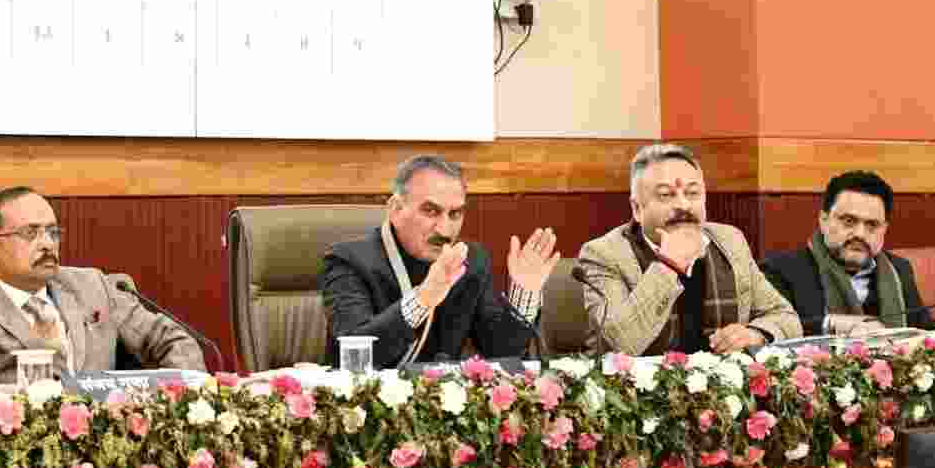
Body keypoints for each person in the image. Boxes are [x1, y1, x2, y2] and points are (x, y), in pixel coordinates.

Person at [0, 186, 205, 386]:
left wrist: (176, 400)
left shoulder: (94, 286)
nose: (48, 243)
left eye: (53, 232)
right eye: (30, 233)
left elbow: (174, 341)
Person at [319, 156, 560, 369]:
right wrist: (423, 299)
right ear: (395, 209)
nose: (444, 230)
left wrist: (524, 295)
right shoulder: (347, 261)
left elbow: (499, 351)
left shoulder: (471, 261)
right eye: (430, 211)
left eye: (455, 214)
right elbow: (353, 357)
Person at [577, 143, 799, 354]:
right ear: (637, 208)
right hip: (633, 390)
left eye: (693, 193)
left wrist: (755, 334)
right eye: (666, 195)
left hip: (722, 387)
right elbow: (621, 344)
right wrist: (669, 265)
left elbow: (785, 317)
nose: (683, 205)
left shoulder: (729, 242)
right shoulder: (604, 255)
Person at [761, 171, 933, 335]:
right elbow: (774, 329)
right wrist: (832, 324)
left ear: (885, 229)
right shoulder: (781, 270)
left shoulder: (899, 269)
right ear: (823, 220)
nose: (860, 233)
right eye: (849, 221)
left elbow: (925, 332)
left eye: (872, 225)